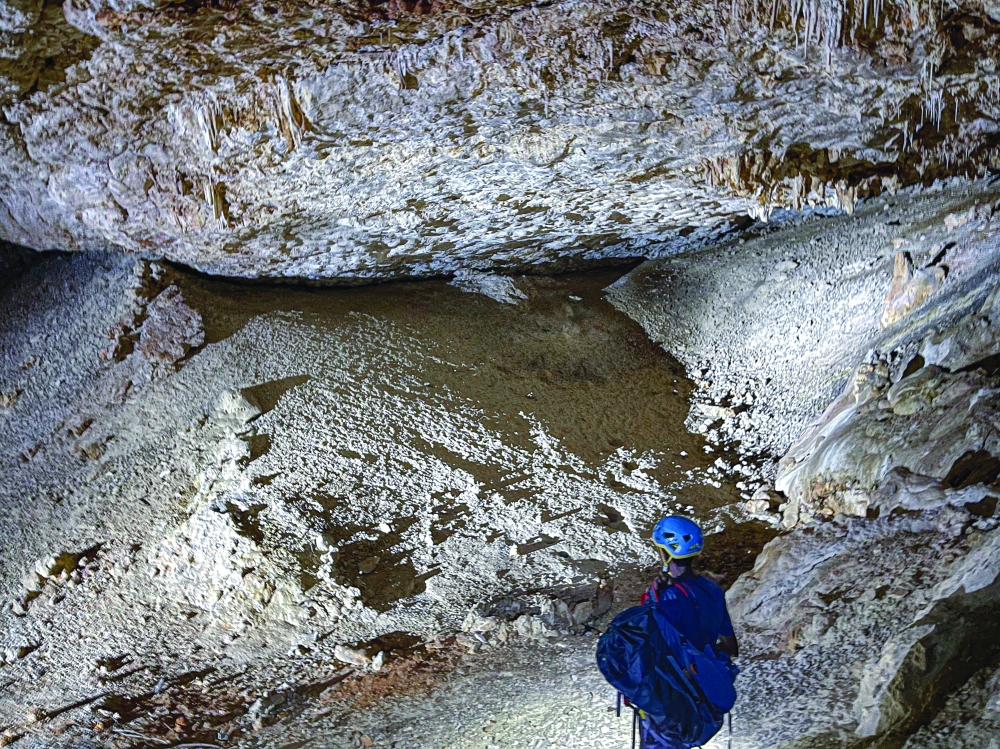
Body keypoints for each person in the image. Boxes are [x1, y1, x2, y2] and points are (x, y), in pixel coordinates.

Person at [637, 515, 738, 748]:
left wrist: (652, 597)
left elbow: (650, 647)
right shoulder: (712, 590)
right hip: (704, 693)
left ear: (666, 553)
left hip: (673, 697)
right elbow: (732, 647)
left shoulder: (665, 598)